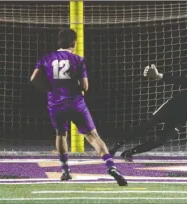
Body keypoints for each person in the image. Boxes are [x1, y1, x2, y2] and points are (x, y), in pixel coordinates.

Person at [30, 28, 127, 186]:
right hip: (75, 102)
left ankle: (65, 171)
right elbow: (85, 86)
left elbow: (33, 78)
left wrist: (50, 88)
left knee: (61, 134)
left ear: (59, 42)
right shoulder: (78, 59)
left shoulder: (46, 58)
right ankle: (111, 167)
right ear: (74, 43)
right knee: (93, 136)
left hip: (55, 103)